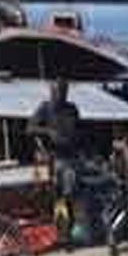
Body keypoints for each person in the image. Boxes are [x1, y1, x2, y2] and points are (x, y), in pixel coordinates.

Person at [28, 78, 82, 242]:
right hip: (52, 158)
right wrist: (48, 131)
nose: (61, 95)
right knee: (54, 196)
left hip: (70, 158)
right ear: (52, 92)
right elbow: (30, 128)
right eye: (58, 91)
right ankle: (58, 232)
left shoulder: (72, 109)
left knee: (69, 195)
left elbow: (80, 130)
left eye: (64, 91)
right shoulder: (45, 108)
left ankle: (67, 231)